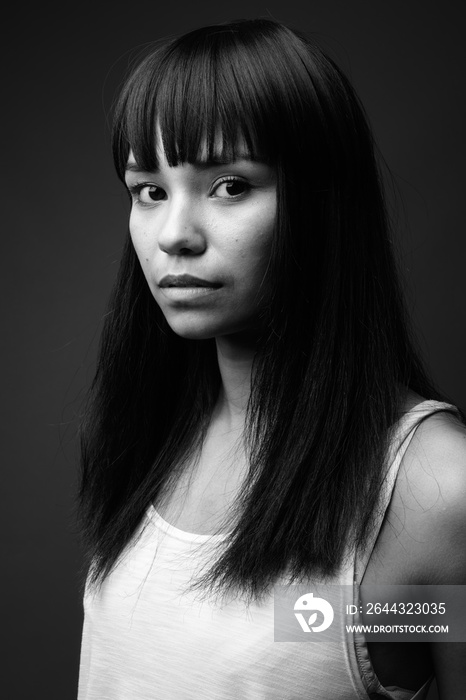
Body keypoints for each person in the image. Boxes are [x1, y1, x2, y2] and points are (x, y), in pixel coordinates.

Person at [77, 18, 466, 700]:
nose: (174, 235)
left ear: (323, 203)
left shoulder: (437, 491)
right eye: (150, 190)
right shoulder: (157, 432)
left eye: (230, 185)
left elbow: (351, 635)